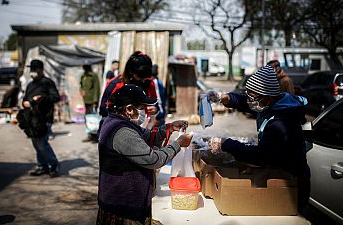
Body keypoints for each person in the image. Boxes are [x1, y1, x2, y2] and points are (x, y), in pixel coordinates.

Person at [207, 65, 310, 213]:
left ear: (267, 97)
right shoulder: (271, 104)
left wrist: (226, 144)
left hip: (291, 185)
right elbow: (244, 102)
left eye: (252, 97)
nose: (249, 100)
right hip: (278, 177)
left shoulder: (281, 122)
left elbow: (261, 156)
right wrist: (223, 97)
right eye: (248, 95)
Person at [97, 84, 193, 225]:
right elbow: (153, 159)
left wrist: (169, 128)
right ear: (129, 109)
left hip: (122, 201)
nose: (145, 111)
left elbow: (147, 136)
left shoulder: (119, 122)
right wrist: (178, 144)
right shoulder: (122, 132)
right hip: (122, 207)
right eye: (142, 107)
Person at [22, 59, 60, 178]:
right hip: (32, 120)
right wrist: (26, 103)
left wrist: (41, 98)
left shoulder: (47, 83)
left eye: (34, 69)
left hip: (45, 118)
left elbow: (55, 97)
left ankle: (54, 165)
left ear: (41, 70)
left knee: (42, 143)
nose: (32, 72)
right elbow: (25, 99)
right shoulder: (30, 85)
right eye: (31, 69)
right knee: (36, 144)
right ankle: (42, 166)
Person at [99, 51, 158, 125]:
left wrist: (154, 109)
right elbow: (103, 109)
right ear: (131, 71)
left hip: (142, 128)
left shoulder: (149, 83)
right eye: (140, 76)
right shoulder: (115, 85)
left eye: (145, 76)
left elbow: (155, 103)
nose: (143, 80)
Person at [80, 64, 101, 142]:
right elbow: (81, 85)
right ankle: (90, 135)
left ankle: (95, 136)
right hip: (86, 100)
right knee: (87, 118)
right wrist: (81, 90)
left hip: (92, 100)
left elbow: (96, 88)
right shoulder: (83, 75)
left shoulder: (93, 75)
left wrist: (95, 101)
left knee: (93, 119)